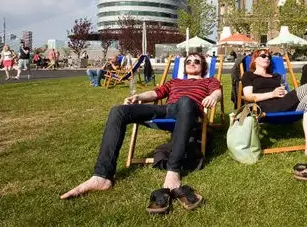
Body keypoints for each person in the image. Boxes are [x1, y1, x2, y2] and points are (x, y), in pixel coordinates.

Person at [61, 52, 221, 206]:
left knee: (185, 100)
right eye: (188, 61)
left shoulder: (209, 81)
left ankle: (173, 171)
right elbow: (155, 93)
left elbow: (217, 92)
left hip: (189, 110)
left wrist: (212, 97)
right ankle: (102, 176)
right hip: (167, 109)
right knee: (118, 111)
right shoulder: (175, 81)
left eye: (196, 61)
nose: (192, 63)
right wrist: (138, 97)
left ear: (203, 66)